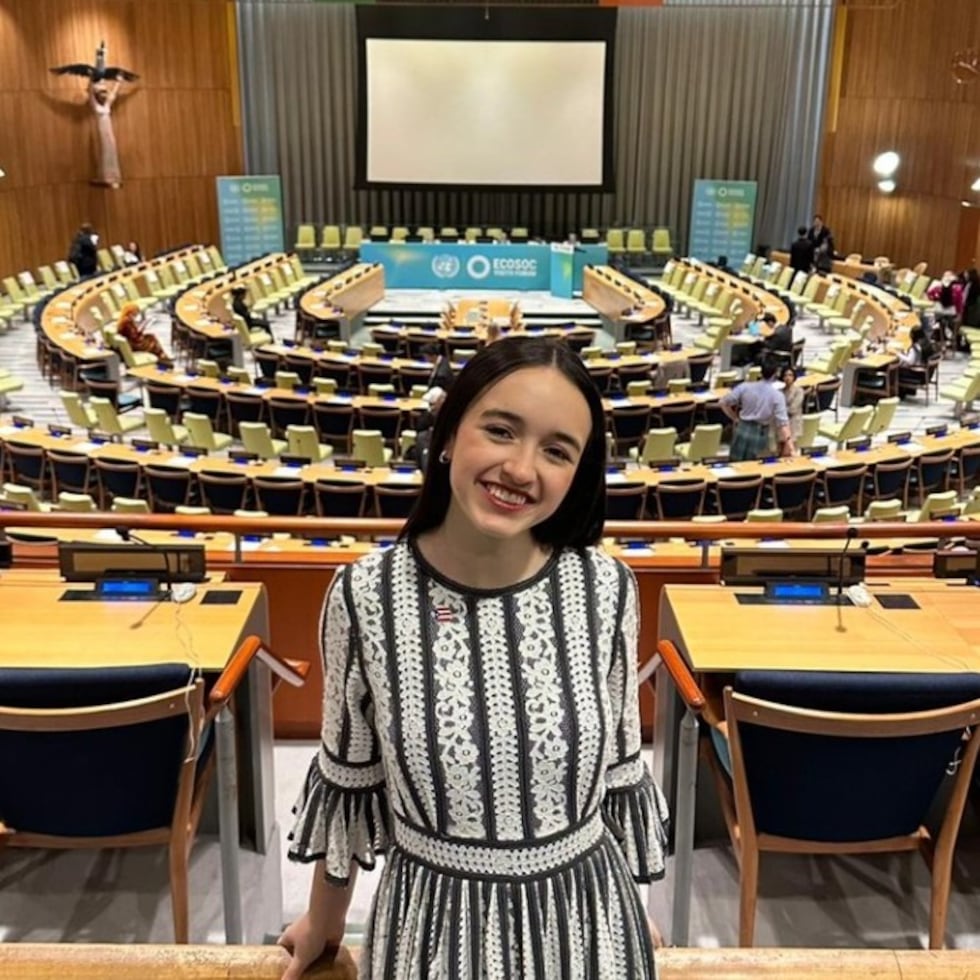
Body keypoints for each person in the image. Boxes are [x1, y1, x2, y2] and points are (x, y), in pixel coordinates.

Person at [280, 336, 668, 980]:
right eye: (500, 430)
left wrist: (630, 906)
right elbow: (351, 778)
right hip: (433, 927)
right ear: (450, 436)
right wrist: (323, 924)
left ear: (577, 476)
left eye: (556, 450)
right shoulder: (365, 594)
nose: (520, 468)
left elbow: (621, 774)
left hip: (588, 920)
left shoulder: (607, 588)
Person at [720, 355, 794, 460]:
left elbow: (723, 402)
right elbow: (783, 424)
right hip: (760, 433)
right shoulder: (777, 396)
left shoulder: (744, 387)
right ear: (776, 373)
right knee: (755, 468)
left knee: (735, 465)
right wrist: (791, 448)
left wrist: (735, 418)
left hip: (742, 429)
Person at [115, 301, 172, 367]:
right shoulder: (126, 322)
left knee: (151, 337)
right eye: (135, 313)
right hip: (133, 345)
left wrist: (140, 330)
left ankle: (162, 357)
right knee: (152, 340)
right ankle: (162, 357)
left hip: (132, 341)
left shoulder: (125, 320)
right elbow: (135, 338)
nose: (136, 315)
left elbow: (133, 334)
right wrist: (141, 332)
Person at [89, 78, 122, 188]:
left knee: (112, 148)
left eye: (105, 93)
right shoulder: (96, 106)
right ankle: (104, 175)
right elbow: (90, 95)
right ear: (97, 95)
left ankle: (113, 175)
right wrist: (90, 81)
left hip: (109, 128)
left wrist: (118, 81)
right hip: (102, 129)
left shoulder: (107, 105)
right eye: (101, 93)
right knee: (105, 150)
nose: (104, 95)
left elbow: (114, 94)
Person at [897, 324, 935, 398]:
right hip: (926, 374)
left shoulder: (916, 347)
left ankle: (901, 394)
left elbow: (910, 361)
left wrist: (898, 354)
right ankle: (910, 391)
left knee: (896, 370)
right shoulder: (926, 343)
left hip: (918, 375)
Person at [780, 366, 804, 440]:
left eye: (790, 375)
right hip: (781, 426)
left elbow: (793, 409)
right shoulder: (780, 392)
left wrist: (780, 410)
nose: (788, 377)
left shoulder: (799, 391)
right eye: (785, 375)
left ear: (794, 377)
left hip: (794, 425)